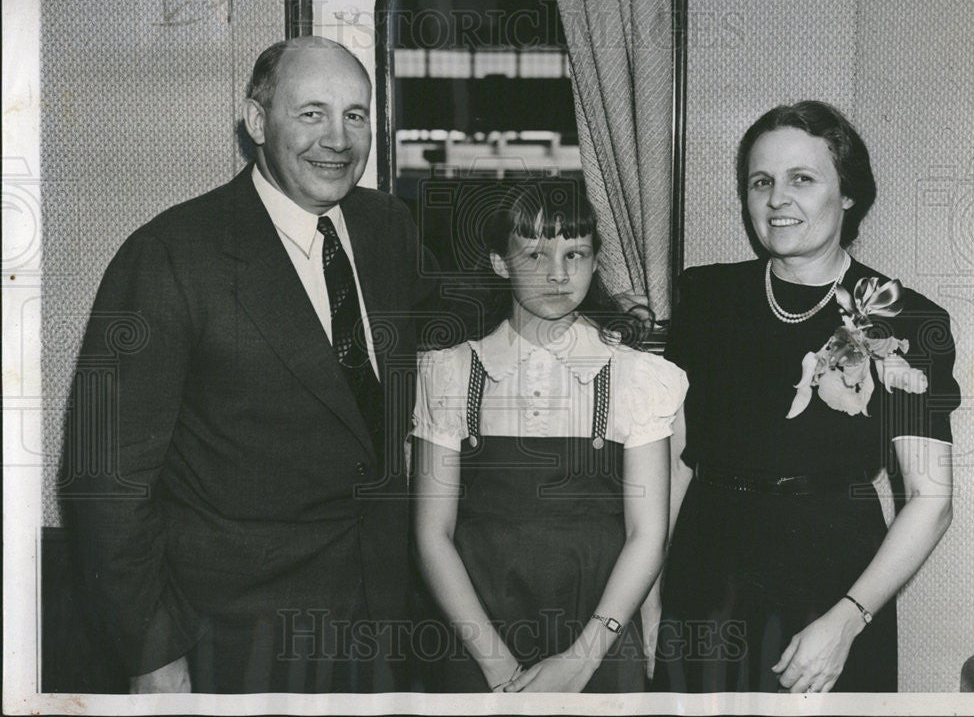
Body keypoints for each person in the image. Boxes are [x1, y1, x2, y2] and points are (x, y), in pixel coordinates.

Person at [59, 37, 432, 693]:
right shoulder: (171, 256)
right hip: (234, 635)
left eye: (355, 115)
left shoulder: (389, 228)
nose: (338, 140)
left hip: (381, 620)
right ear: (258, 123)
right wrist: (151, 655)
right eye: (311, 113)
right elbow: (104, 478)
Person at [652, 101, 960, 693]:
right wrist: (648, 593)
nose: (776, 200)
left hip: (832, 581)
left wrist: (849, 620)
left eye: (802, 179)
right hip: (706, 574)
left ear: (847, 194)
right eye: (761, 181)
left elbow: (930, 499)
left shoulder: (907, 316)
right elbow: (673, 463)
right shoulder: (708, 295)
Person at [412, 181, 688, 692]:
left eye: (575, 253)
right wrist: (498, 669)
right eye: (535, 254)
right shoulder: (450, 373)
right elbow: (432, 535)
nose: (559, 274)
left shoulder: (637, 377)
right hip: (478, 638)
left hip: (597, 641)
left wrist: (580, 662)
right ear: (500, 262)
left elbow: (647, 536)